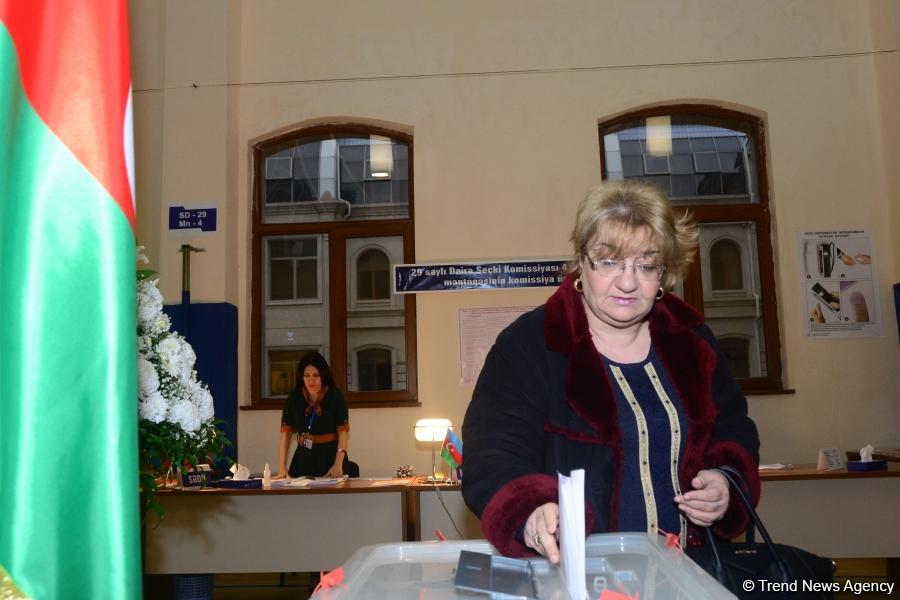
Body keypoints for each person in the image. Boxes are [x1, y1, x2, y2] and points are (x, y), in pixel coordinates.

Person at [461, 180, 760, 564]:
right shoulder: (528, 346)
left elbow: (735, 429)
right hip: (579, 574)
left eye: (647, 264)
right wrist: (531, 511)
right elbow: (492, 455)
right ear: (581, 263)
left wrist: (725, 480)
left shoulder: (693, 341)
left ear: (664, 274)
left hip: (691, 569)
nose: (628, 281)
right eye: (609, 261)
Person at [273, 352, 350, 478]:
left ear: (323, 377)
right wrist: (282, 468)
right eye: (306, 375)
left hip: (331, 458)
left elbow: (343, 433)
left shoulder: (335, 396)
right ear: (301, 377)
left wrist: (338, 464)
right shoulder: (294, 397)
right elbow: (285, 434)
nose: (311, 380)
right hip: (303, 459)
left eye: (315, 375)